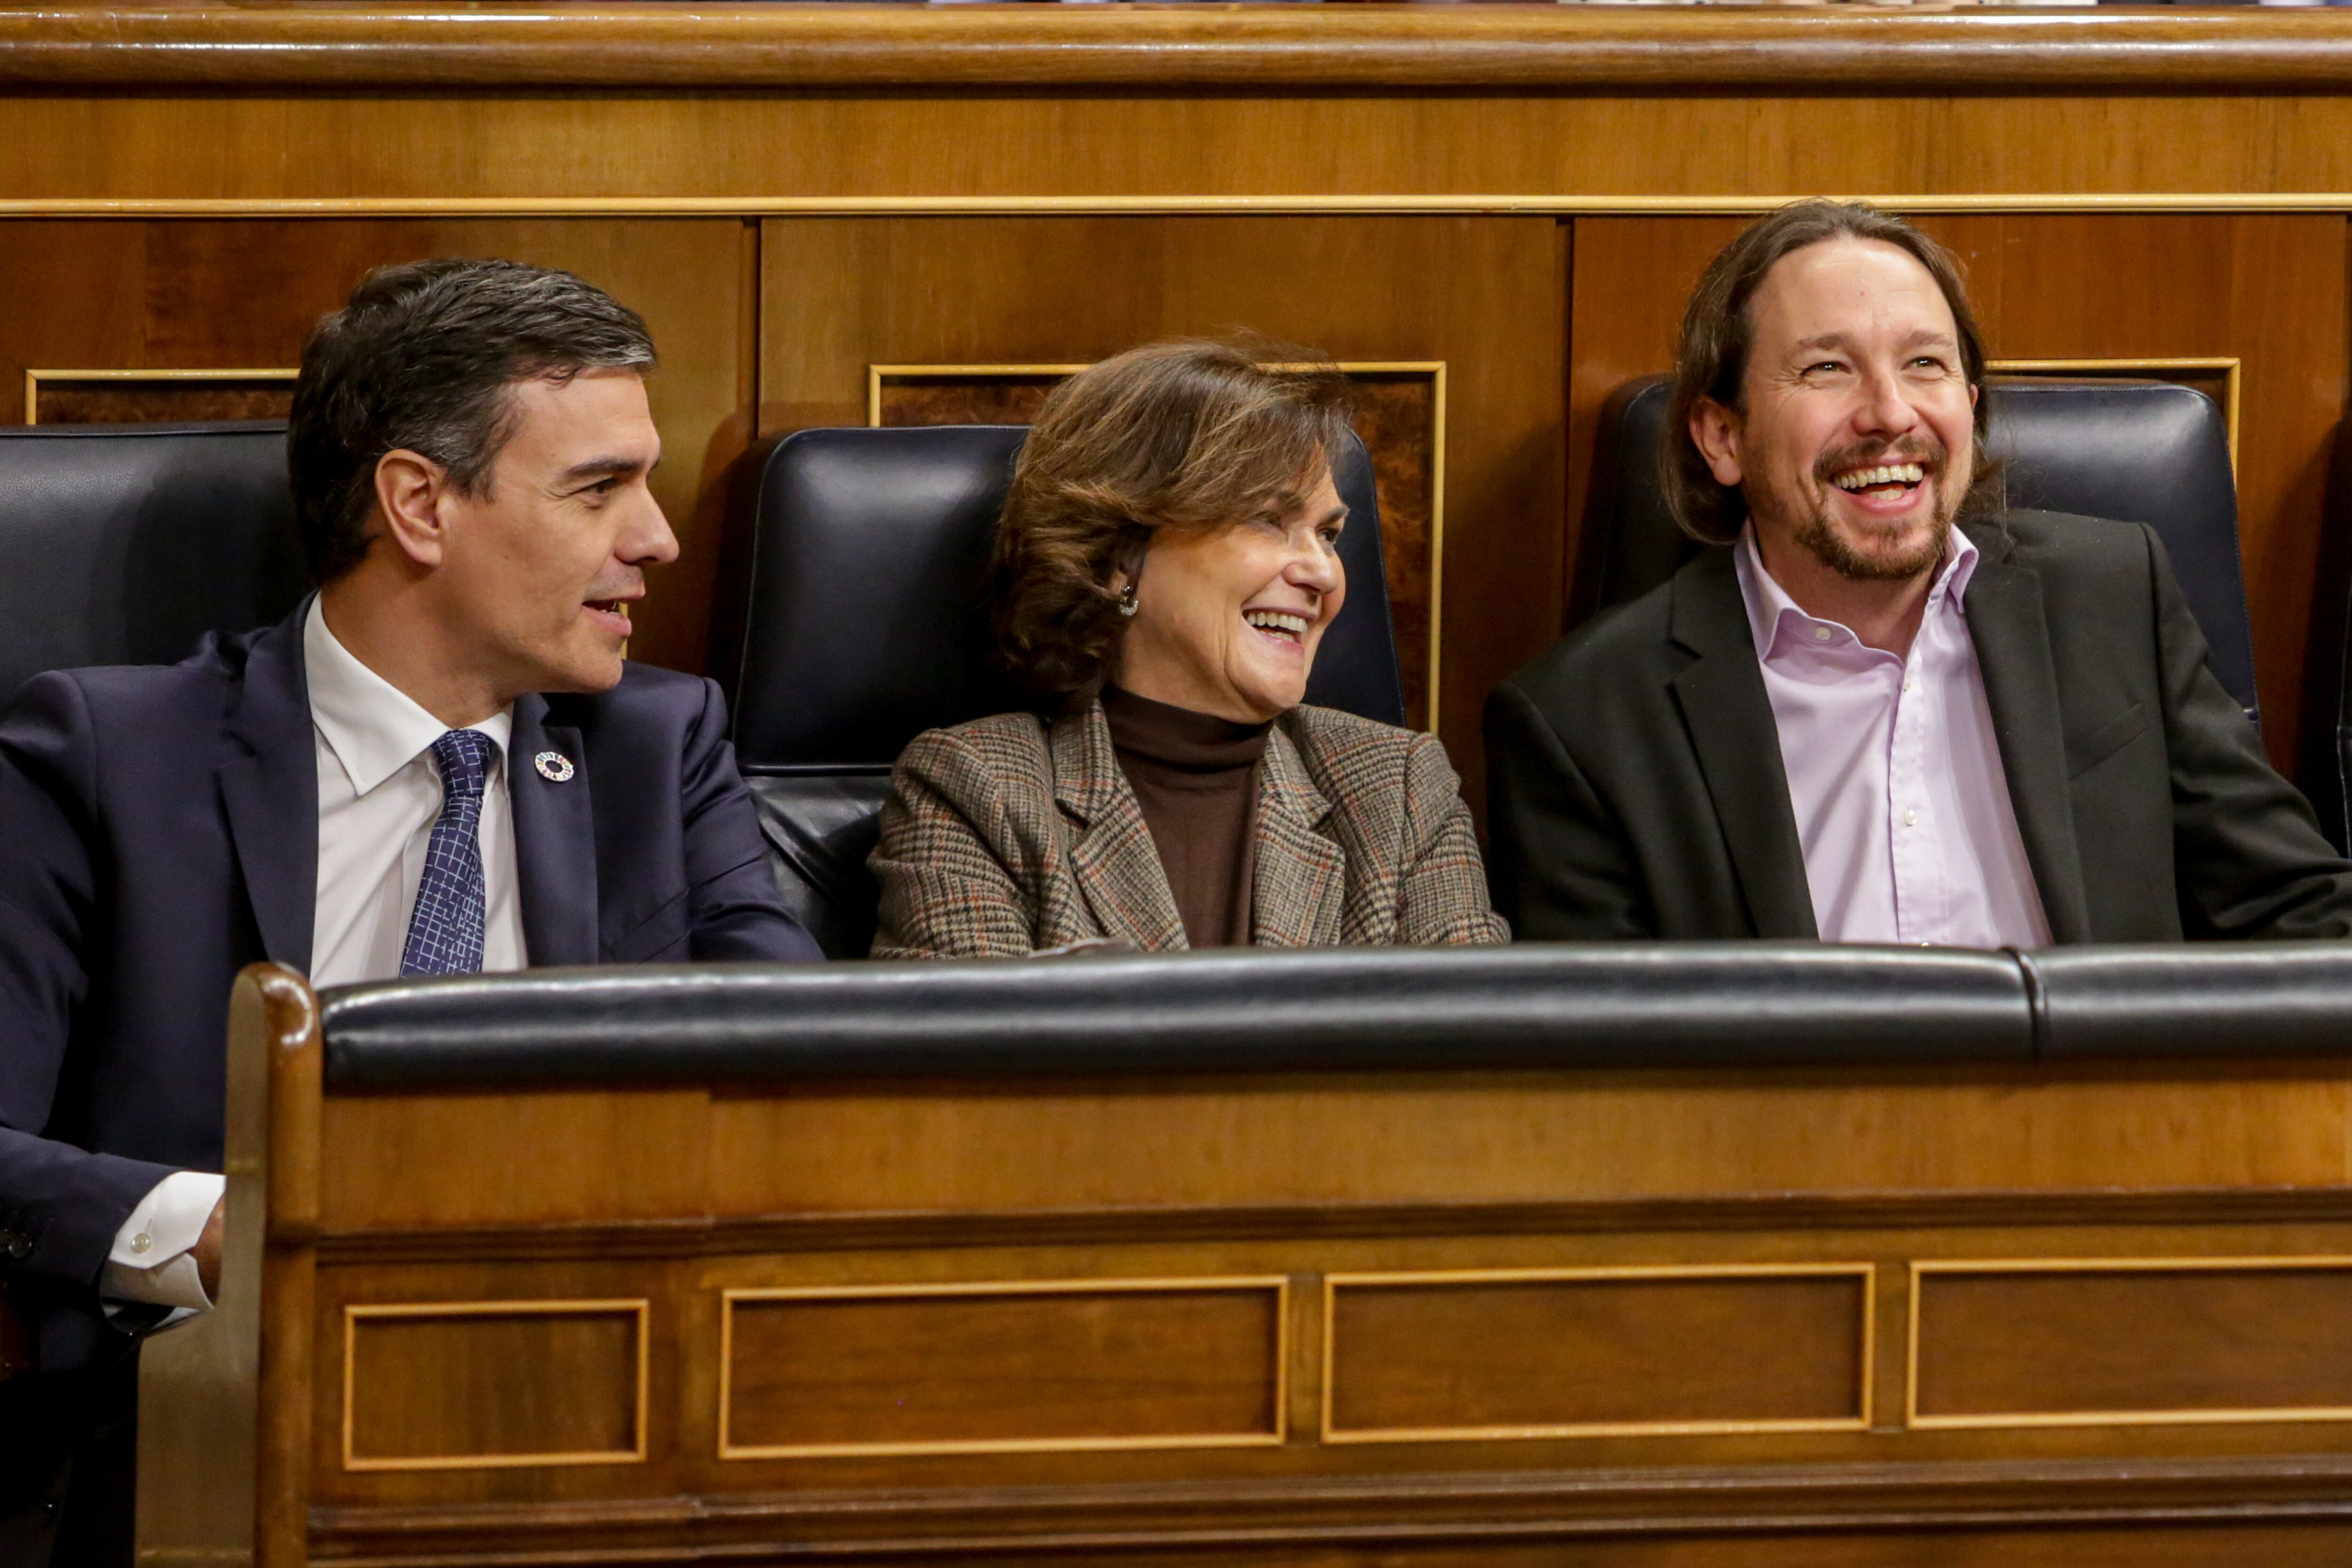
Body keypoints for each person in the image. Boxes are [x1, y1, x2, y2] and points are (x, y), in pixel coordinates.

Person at [0, 258, 819, 1563]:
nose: (658, 537)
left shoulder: (659, 748)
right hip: (210, 1427)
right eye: (600, 487)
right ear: (420, 503)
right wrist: (238, 1229)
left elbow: (797, 1077)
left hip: (598, 1423)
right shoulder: (110, 755)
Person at [1486, 199, 2352, 945]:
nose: (1891, 413)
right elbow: (1600, 1079)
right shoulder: (1584, 721)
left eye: (1926, 364)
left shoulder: (2114, 597)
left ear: (1970, 408)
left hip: (2115, 1130)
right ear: (1722, 436)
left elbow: (2295, 913)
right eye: (1827, 368)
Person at [869, 340, 1507, 957]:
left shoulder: (1399, 791)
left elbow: (1481, 1056)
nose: (1325, 574)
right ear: (1120, 557)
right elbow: (973, 1060)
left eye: (1329, 534)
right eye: (1267, 519)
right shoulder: (979, 790)